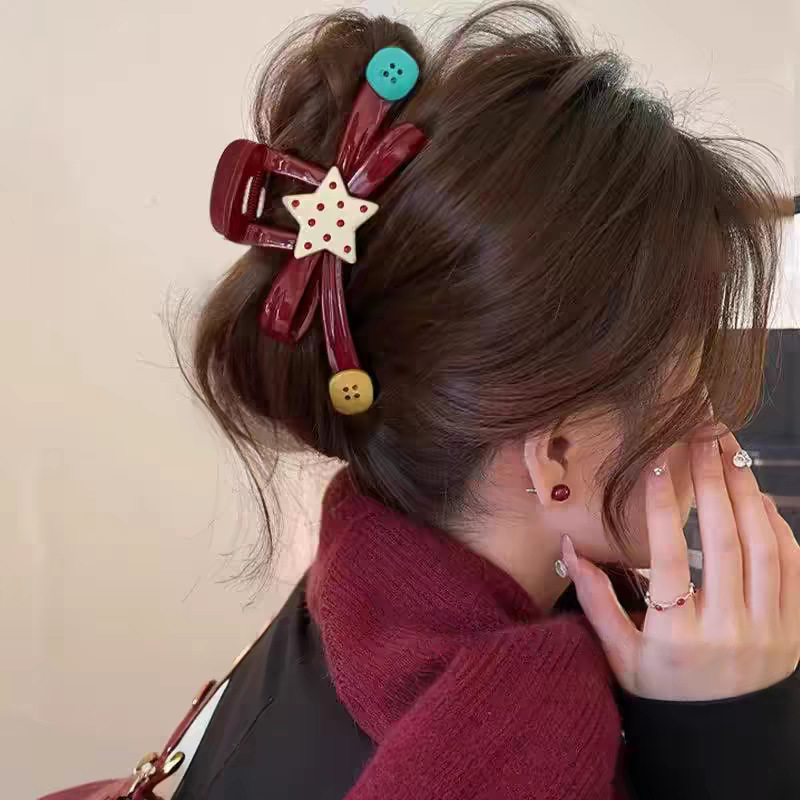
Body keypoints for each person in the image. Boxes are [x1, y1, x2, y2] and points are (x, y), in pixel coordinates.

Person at [43, 4, 799, 800]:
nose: (714, 423)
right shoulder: (531, 734)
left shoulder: (360, 587)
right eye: (690, 377)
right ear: (558, 455)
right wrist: (732, 741)